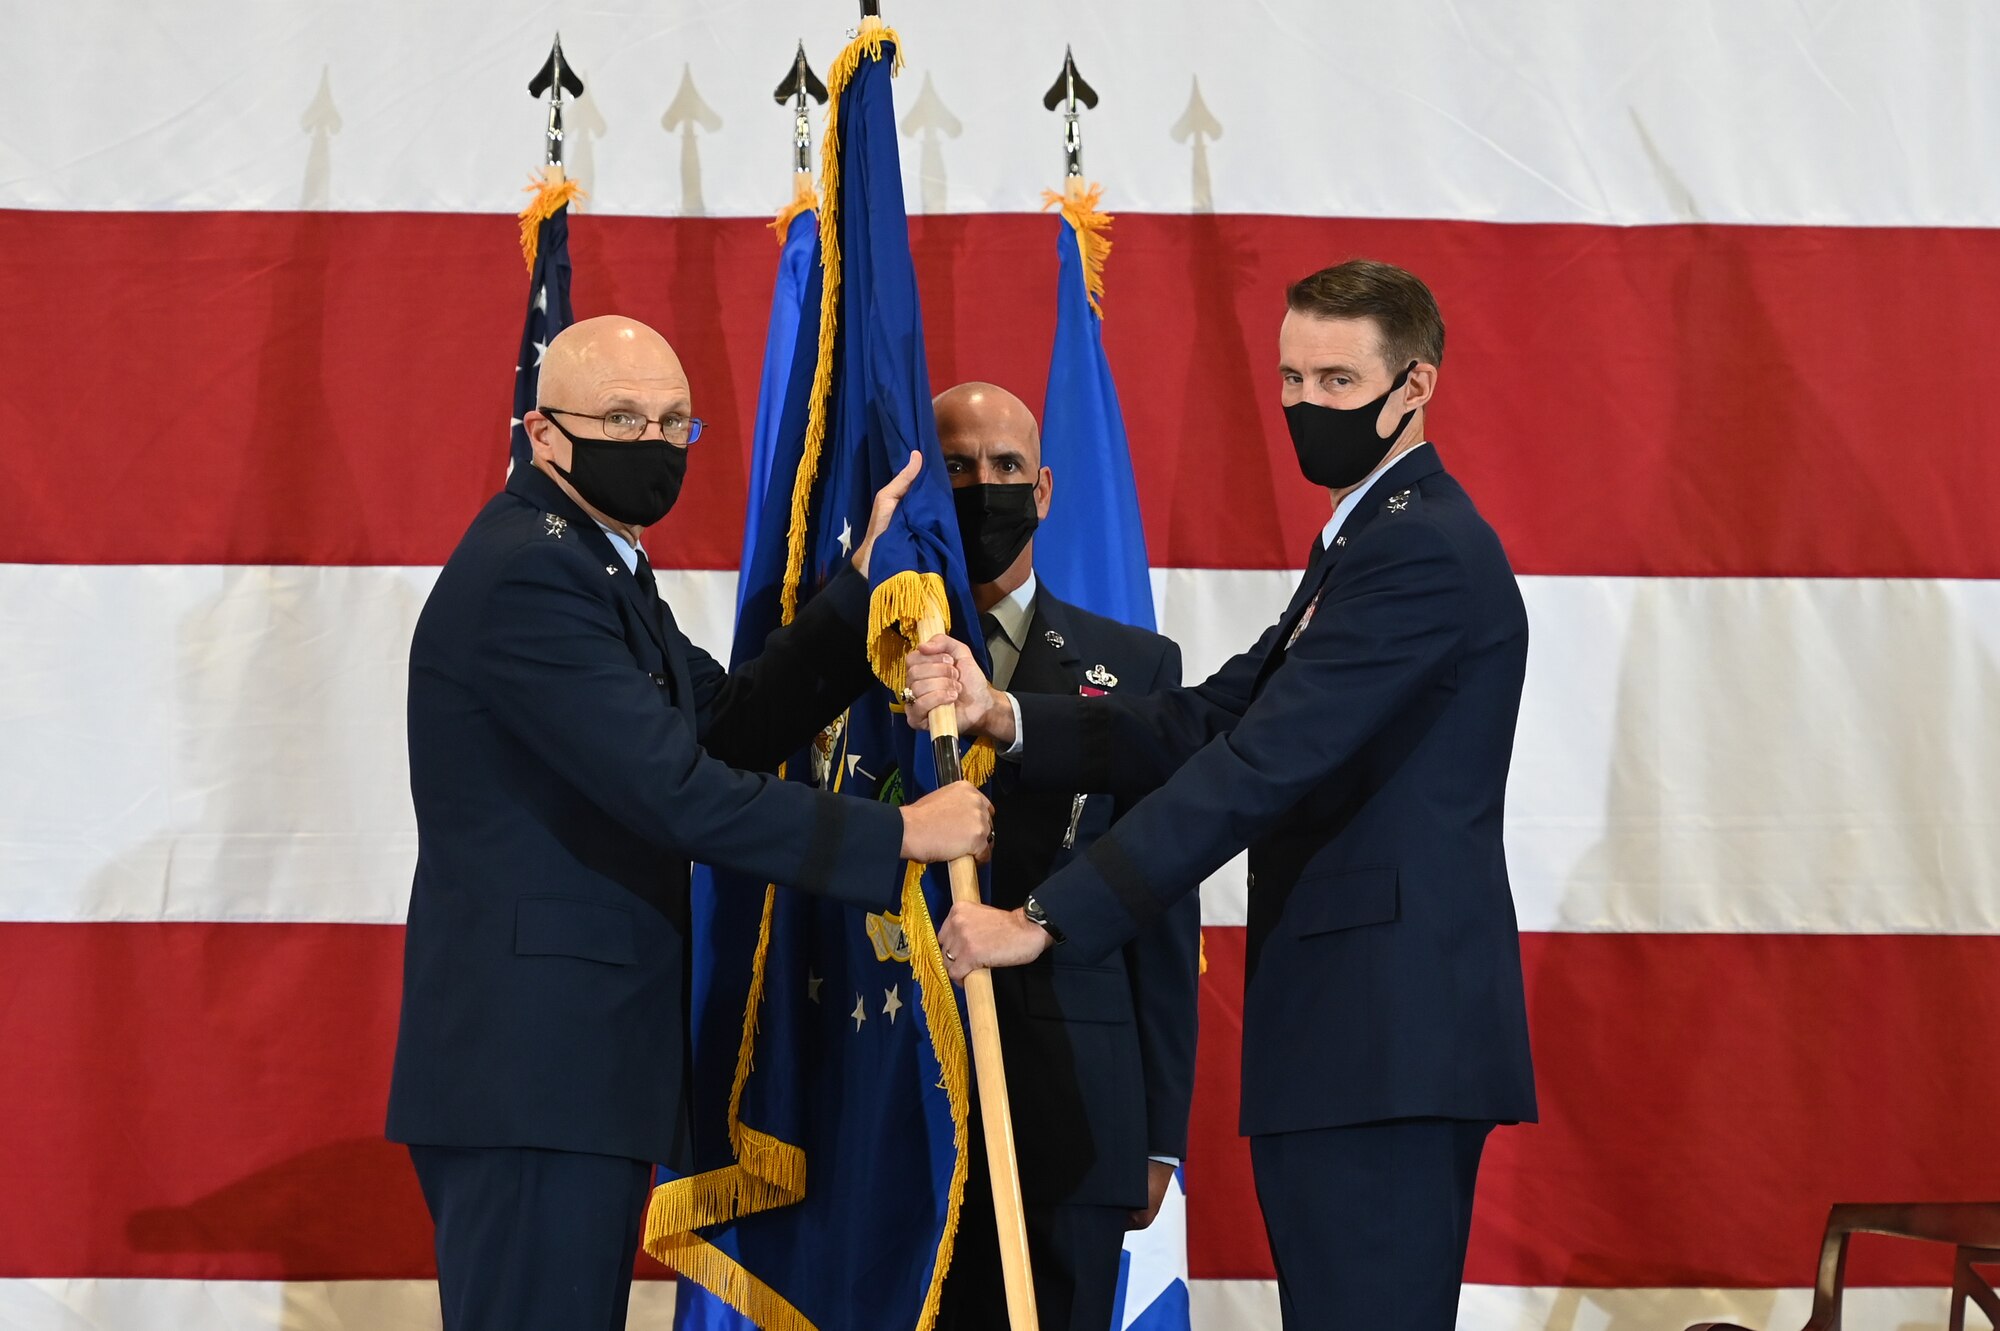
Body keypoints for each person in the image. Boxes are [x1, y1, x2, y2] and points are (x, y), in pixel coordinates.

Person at [908, 262, 1537, 1330]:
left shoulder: (1418, 550)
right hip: (1349, 1035)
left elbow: (1255, 769)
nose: (1305, 405)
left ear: (1414, 385)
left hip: (1383, 1036)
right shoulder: (1361, 543)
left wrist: (1043, 918)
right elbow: (1200, 718)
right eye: (1291, 378)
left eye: (1336, 381)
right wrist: (1002, 717)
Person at [386, 315, 992, 1331]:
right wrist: (897, 835)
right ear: (541, 432)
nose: (652, 442)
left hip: (577, 1067)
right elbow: (675, 788)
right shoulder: (533, 574)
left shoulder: (600, 562)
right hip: (534, 1069)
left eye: (673, 421)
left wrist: (860, 588)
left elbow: (726, 726)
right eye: (620, 418)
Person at [928, 383, 1198, 1331]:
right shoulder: (866, 659)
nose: (983, 485)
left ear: (1043, 489)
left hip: (1079, 1097)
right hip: (898, 1085)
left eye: (1005, 467)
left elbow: (1161, 899)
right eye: (956, 467)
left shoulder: (1138, 667)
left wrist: (1162, 1130)